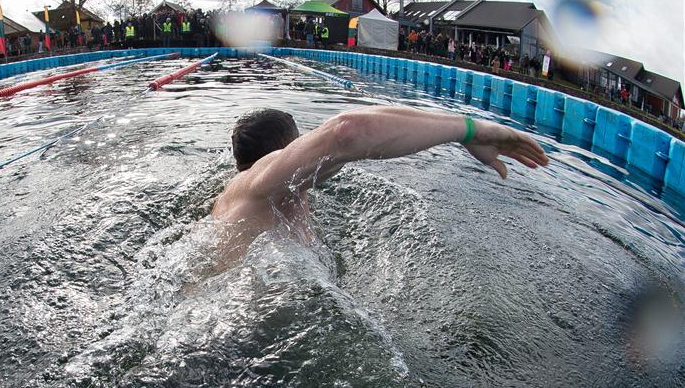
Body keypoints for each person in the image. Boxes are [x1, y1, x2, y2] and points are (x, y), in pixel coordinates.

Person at [211, 107, 548, 257]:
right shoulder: (266, 181)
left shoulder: (243, 196)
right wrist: (471, 130)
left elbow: (359, 126)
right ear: (289, 151)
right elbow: (348, 132)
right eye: (302, 142)